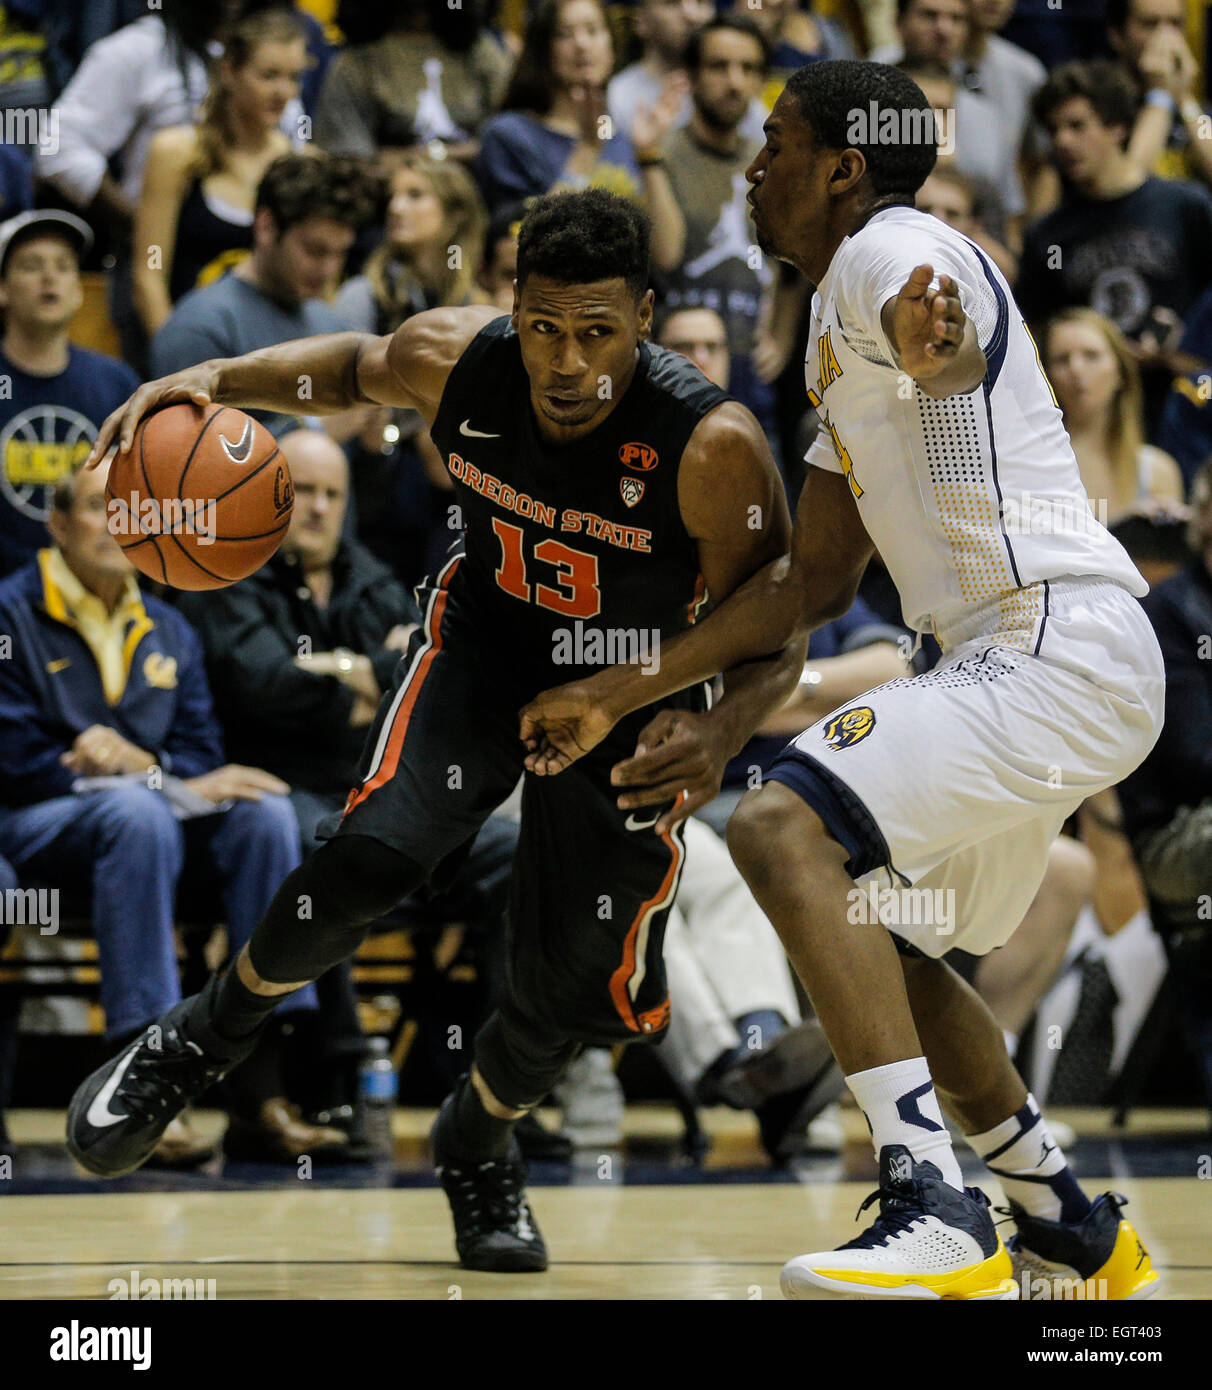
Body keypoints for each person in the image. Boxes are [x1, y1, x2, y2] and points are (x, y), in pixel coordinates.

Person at [63, 189, 803, 1274]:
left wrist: (715, 723)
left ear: (646, 318)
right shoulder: (457, 357)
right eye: (544, 327)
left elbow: (776, 621)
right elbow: (351, 366)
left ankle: (477, 1141)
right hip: (487, 649)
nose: (565, 361)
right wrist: (215, 379)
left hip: (641, 690)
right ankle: (195, 1039)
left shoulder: (712, 445)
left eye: (597, 333)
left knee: (569, 992)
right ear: (512, 307)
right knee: (372, 850)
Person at [519, 61, 1165, 1300]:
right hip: (1016, 659)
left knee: (781, 826)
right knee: (881, 942)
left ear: (841, 166)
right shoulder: (833, 321)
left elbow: (954, 322)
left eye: (773, 146)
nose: (752, 170)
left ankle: (932, 1198)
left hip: (1045, 639)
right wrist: (660, 704)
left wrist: (947, 354)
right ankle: (1070, 1227)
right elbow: (809, 585)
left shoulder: (892, 254)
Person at [0, 458, 349, 1165]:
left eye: (129, 510)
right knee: (137, 814)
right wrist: (125, 776)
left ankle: (260, 1089)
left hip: (146, 818)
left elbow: (197, 752)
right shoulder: (10, 612)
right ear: (59, 524)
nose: (117, 525)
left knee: (265, 814)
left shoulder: (166, 621)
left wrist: (148, 769)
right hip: (33, 823)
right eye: (100, 507)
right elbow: (11, 760)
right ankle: (138, 1087)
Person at [1016, 60, 1212, 435]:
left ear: (1118, 127)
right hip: (1097, 417)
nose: (1062, 141)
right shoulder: (1048, 234)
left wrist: (1180, 349)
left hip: (1184, 403)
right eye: (1054, 129)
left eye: (1077, 125)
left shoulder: (1183, 205)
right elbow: (1038, 333)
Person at [150, 153, 380, 438]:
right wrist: (314, 430)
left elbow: (368, 473)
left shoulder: (334, 327)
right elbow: (189, 456)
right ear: (267, 226)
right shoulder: (201, 327)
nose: (329, 269)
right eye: (315, 251)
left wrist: (375, 444)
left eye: (340, 253)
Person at [132, 8, 308, 341]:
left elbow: (316, 288)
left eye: (294, 78)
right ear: (229, 71)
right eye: (269, 75)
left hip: (272, 353)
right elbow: (148, 276)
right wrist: (178, 362)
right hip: (192, 347)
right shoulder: (176, 153)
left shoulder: (298, 163)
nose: (283, 92)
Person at [0, 211, 140, 578]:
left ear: (79, 290)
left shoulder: (117, 384)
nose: (50, 277)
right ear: (2, 288)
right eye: (31, 266)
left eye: (64, 267)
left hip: (92, 587)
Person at [474, 0, 642, 214]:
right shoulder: (508, 136)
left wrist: (650, 157)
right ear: (542, 48)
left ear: (612, 44)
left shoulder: (626, 130)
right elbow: (522, 241)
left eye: (593, 30)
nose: (582, 44)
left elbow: (665, 248)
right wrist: (587, 151)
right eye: (564, 34)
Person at [314, 0, 512, 163]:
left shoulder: (480, 50)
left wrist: (422, 155)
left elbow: (514, 141)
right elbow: (350, 162)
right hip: (392, 201)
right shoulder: (358, 61)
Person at [1041, 307, 1183, 524]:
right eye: (1062, 360)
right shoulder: (1036, 464)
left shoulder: (1157, 471)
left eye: (1091, 356)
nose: (1076, 369)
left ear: (1120, 371)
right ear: (1047, 375)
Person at [333, 154, 488, 335]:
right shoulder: (362, 296)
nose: (395, 208)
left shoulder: (477, 302)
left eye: (415, 195)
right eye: (391, 197)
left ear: (456, 213)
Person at [1106, 0, 1212, 189]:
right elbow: (1130, 184)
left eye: (1175, 24)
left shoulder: (1198, 113)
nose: (1166, 37)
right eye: (1150, 24)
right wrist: (1159, 96)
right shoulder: (1099, 104)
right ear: (1117, 35)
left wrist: (1185, 98)